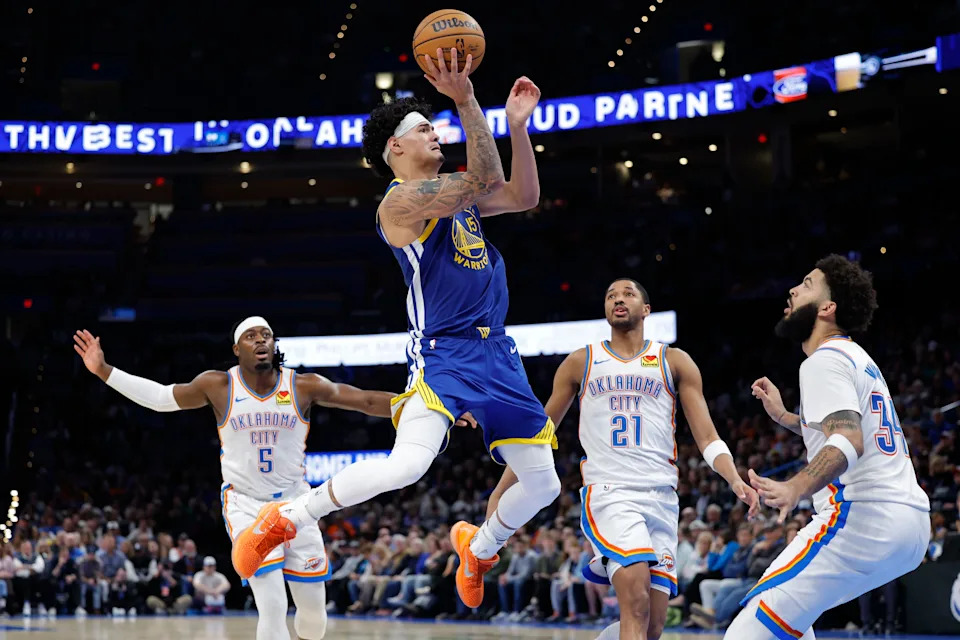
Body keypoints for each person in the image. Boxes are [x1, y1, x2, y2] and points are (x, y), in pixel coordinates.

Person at [237, 48, 560, 611]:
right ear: (395, 148)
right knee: (409, 465)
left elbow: (522, 195)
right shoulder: (401, 203)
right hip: (444, 355)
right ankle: (288, 516)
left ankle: (479, 547)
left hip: (499, 356)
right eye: (423, 128)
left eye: (436, 125)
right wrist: (466, 99)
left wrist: (515, 129)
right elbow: (486, 176)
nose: (436, 134)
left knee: (545, 484)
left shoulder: (459, 198)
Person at [73, 317, 417, 640]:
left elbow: (367, 400)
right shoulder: (219, 385)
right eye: (250, 337)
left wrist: (427, 408)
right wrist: (104, 371)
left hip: (297, 504)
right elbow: (162, 399)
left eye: (265, 335)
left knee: (314, 615)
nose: (260, 340)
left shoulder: (302, 385)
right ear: (237, 349)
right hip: (246, 505)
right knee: (271, 605)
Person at [488, 278, 759, 640]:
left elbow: (707, 436)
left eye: (628, 294)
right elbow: (538, 436)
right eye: (611, 296)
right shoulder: (580, 361)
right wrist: (500, 492)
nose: (619, 299)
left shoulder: (673, 360)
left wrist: (734, 478)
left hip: (662, 497)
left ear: (646, 309)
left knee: (652, 627)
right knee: (635, 604)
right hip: (611, 492)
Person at [724, 255, 931, 639]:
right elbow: (848, 427)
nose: (792, 290)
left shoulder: (822, 361)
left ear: (827, 307)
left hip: (865, 518)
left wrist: (795, 487)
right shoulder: (858, 357)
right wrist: (788, 417)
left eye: (806, 283)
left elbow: (849, 437)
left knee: (749, 630)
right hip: (911, 524)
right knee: (792, 620)